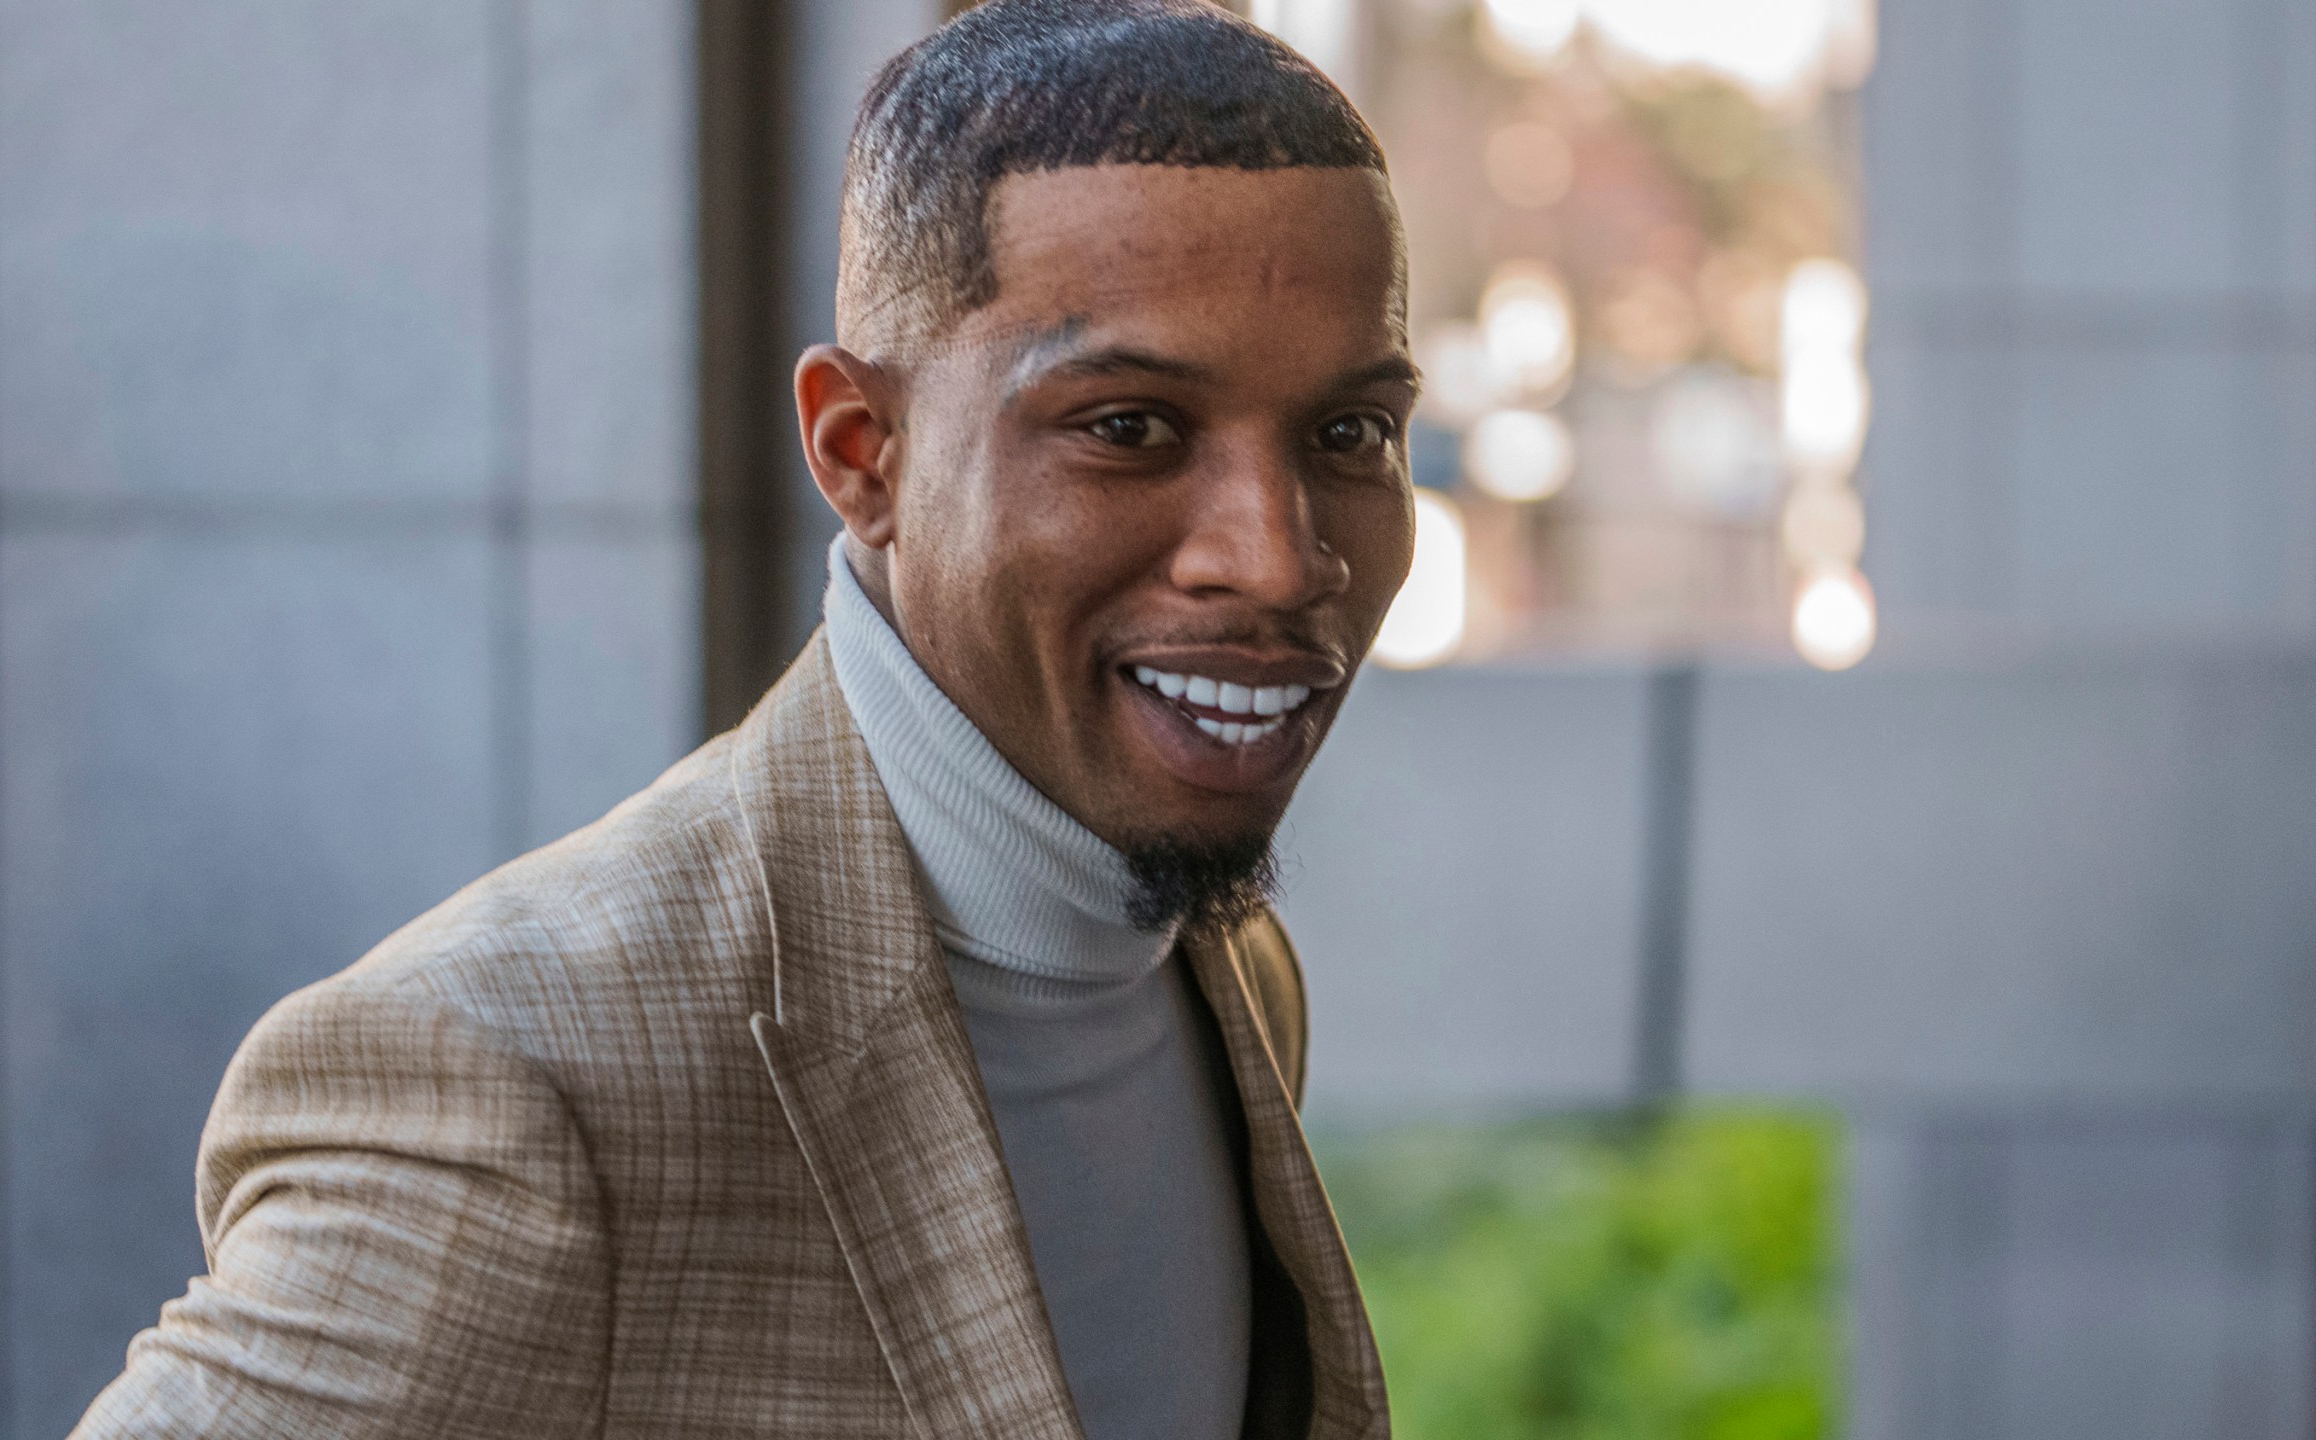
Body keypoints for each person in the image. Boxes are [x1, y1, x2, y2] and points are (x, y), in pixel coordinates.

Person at [73, 1, 1418, 1435]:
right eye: (1130, 427)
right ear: (863, 456)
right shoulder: (511, 1081)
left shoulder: (1225, 963)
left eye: (1349, 436)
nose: (1275, 559)